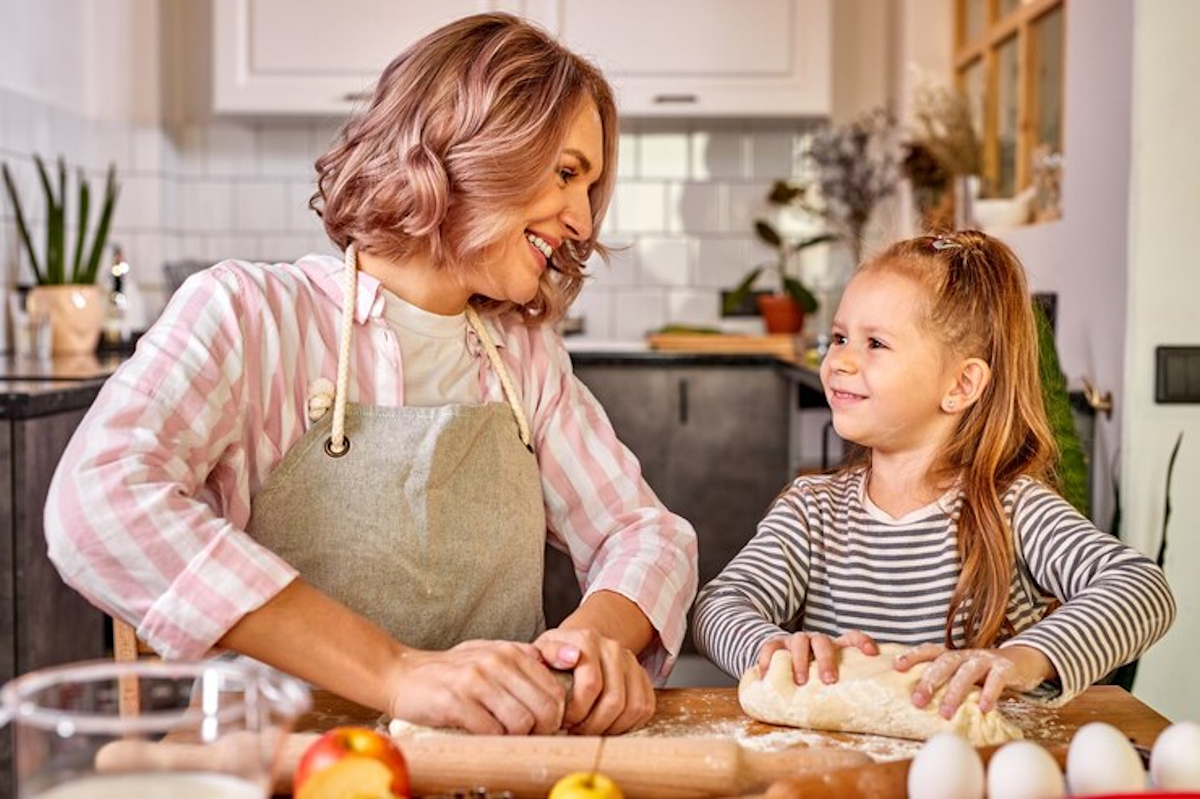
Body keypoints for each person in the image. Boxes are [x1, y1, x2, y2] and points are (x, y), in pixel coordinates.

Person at [44, 13, 697, 737]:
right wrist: (396, 670)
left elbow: (648, 534)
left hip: (497, 768)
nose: (581, 220)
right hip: (289, 764)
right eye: (567, 173)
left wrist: (596, 638)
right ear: (462, 140)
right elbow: (96, 499)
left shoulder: (526, 356)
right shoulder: (252, 316)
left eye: (589, 186)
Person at [693, 230, 1175, 717]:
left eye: (875, 343)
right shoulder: (812, 510)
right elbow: (718, 604)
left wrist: (1023, 659)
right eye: (840, 337)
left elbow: (1141, 588)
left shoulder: (1012, 508)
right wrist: (771, 648)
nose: (839, 360)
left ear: (961, 384)